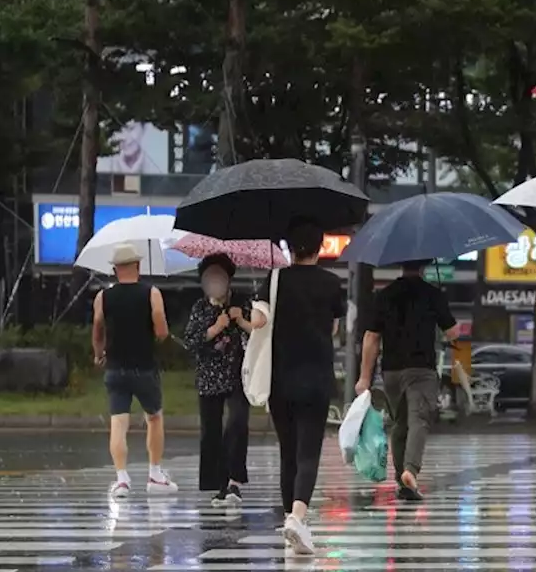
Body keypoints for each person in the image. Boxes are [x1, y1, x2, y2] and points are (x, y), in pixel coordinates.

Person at [252, 219, 344, 553]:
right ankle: (298, 518)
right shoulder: (332, 283)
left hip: (280, 379)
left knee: (287, 452)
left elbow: (260, 320)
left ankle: (291, 517)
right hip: (316, 378)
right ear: (320, 247)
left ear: (289, 248)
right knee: (308, 452)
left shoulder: (273, 279)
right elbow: (334, 328)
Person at [356, 260, 460, 501]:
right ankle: (410, 470)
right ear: (424, 265)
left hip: (391, 370)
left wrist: (364, 377)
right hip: (421, 369)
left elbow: (371, 337)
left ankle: (402, 484)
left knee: (400, 424)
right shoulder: (432, 294)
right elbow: (453, 332)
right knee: (419, 420)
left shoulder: (385, 295)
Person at [92, 243, 177, 498]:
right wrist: (160, 335)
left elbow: (97, 329)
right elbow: (161, 330)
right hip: (144, 367)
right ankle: (155, 474)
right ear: (138, 266)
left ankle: (121, 480)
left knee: (118, 423)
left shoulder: (103, 297)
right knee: (154, 417)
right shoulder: (151, 293)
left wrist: (99, 353)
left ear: (116, 270)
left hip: (115, 369)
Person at [184, 253, 254, 506]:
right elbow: (190, 342)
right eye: (209, 277)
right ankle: (215, 482)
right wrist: (216, 327)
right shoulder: (200, 308)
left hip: (238, 374)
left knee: (237, 423)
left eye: (219, 276)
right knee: (210, 431)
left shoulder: (243, 303)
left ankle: (234, 480)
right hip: (209, 375)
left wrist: (240, 319)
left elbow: (258, 333)